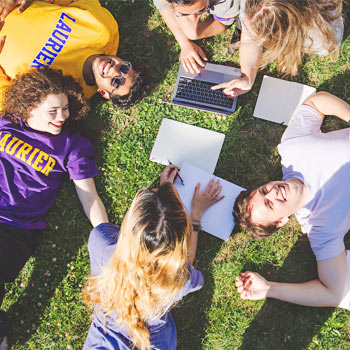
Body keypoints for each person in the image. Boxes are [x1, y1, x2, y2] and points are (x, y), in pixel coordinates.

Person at [0, 67, 109, 350]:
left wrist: (107, 238)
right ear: (30, 108)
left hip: (15, 228)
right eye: (53, 111)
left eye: (65, 109)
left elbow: (89, 197)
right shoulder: (6, 123)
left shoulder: (71, 146)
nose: (62, 117)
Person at [83, 165, 224, 350]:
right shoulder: (181, 281)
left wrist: (163, 190)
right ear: (182, 241)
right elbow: (187, 262)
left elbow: (98, 215)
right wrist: (195, 216)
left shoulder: (102, 245)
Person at [233, 91, 350, 309]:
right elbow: (333, 293)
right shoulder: (321, 230)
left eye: (263, 190)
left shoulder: (292, 149)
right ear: (281, 222)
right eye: (270, 204)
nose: (274, 191)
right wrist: (269, 287)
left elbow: (316, 102)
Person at [0, 0, 143, 108]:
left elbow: (5, 101)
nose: (114, 70)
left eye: (115, 81)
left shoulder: (62, 95)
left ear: (103, 93)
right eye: (124, 68)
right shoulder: (102, 27)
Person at [212, 0, 344, 97]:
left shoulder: (321, 41)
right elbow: (248, 40)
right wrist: (248, 77)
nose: (248, 33)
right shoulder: (253, 6)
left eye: (257, 35)